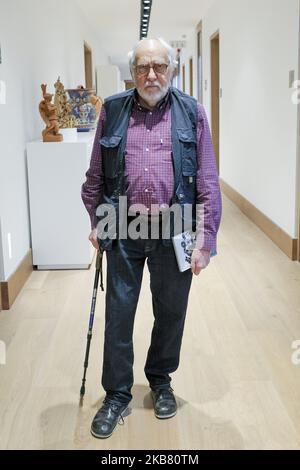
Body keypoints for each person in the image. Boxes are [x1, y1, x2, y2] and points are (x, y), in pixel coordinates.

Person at [81, 37, 222, 439]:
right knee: (119, 314)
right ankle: (117, 394)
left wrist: (205, 240)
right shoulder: (111, 110)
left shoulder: (191, 112)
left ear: (171, 69)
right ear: (133, 71)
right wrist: (96, 219)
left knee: (171, 312)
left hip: (175, 229)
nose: (151, 75)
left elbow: (207, 180)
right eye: (143, 67)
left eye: (159, 66)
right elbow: (95, 176)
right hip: (122, 227)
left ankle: (160, 380)